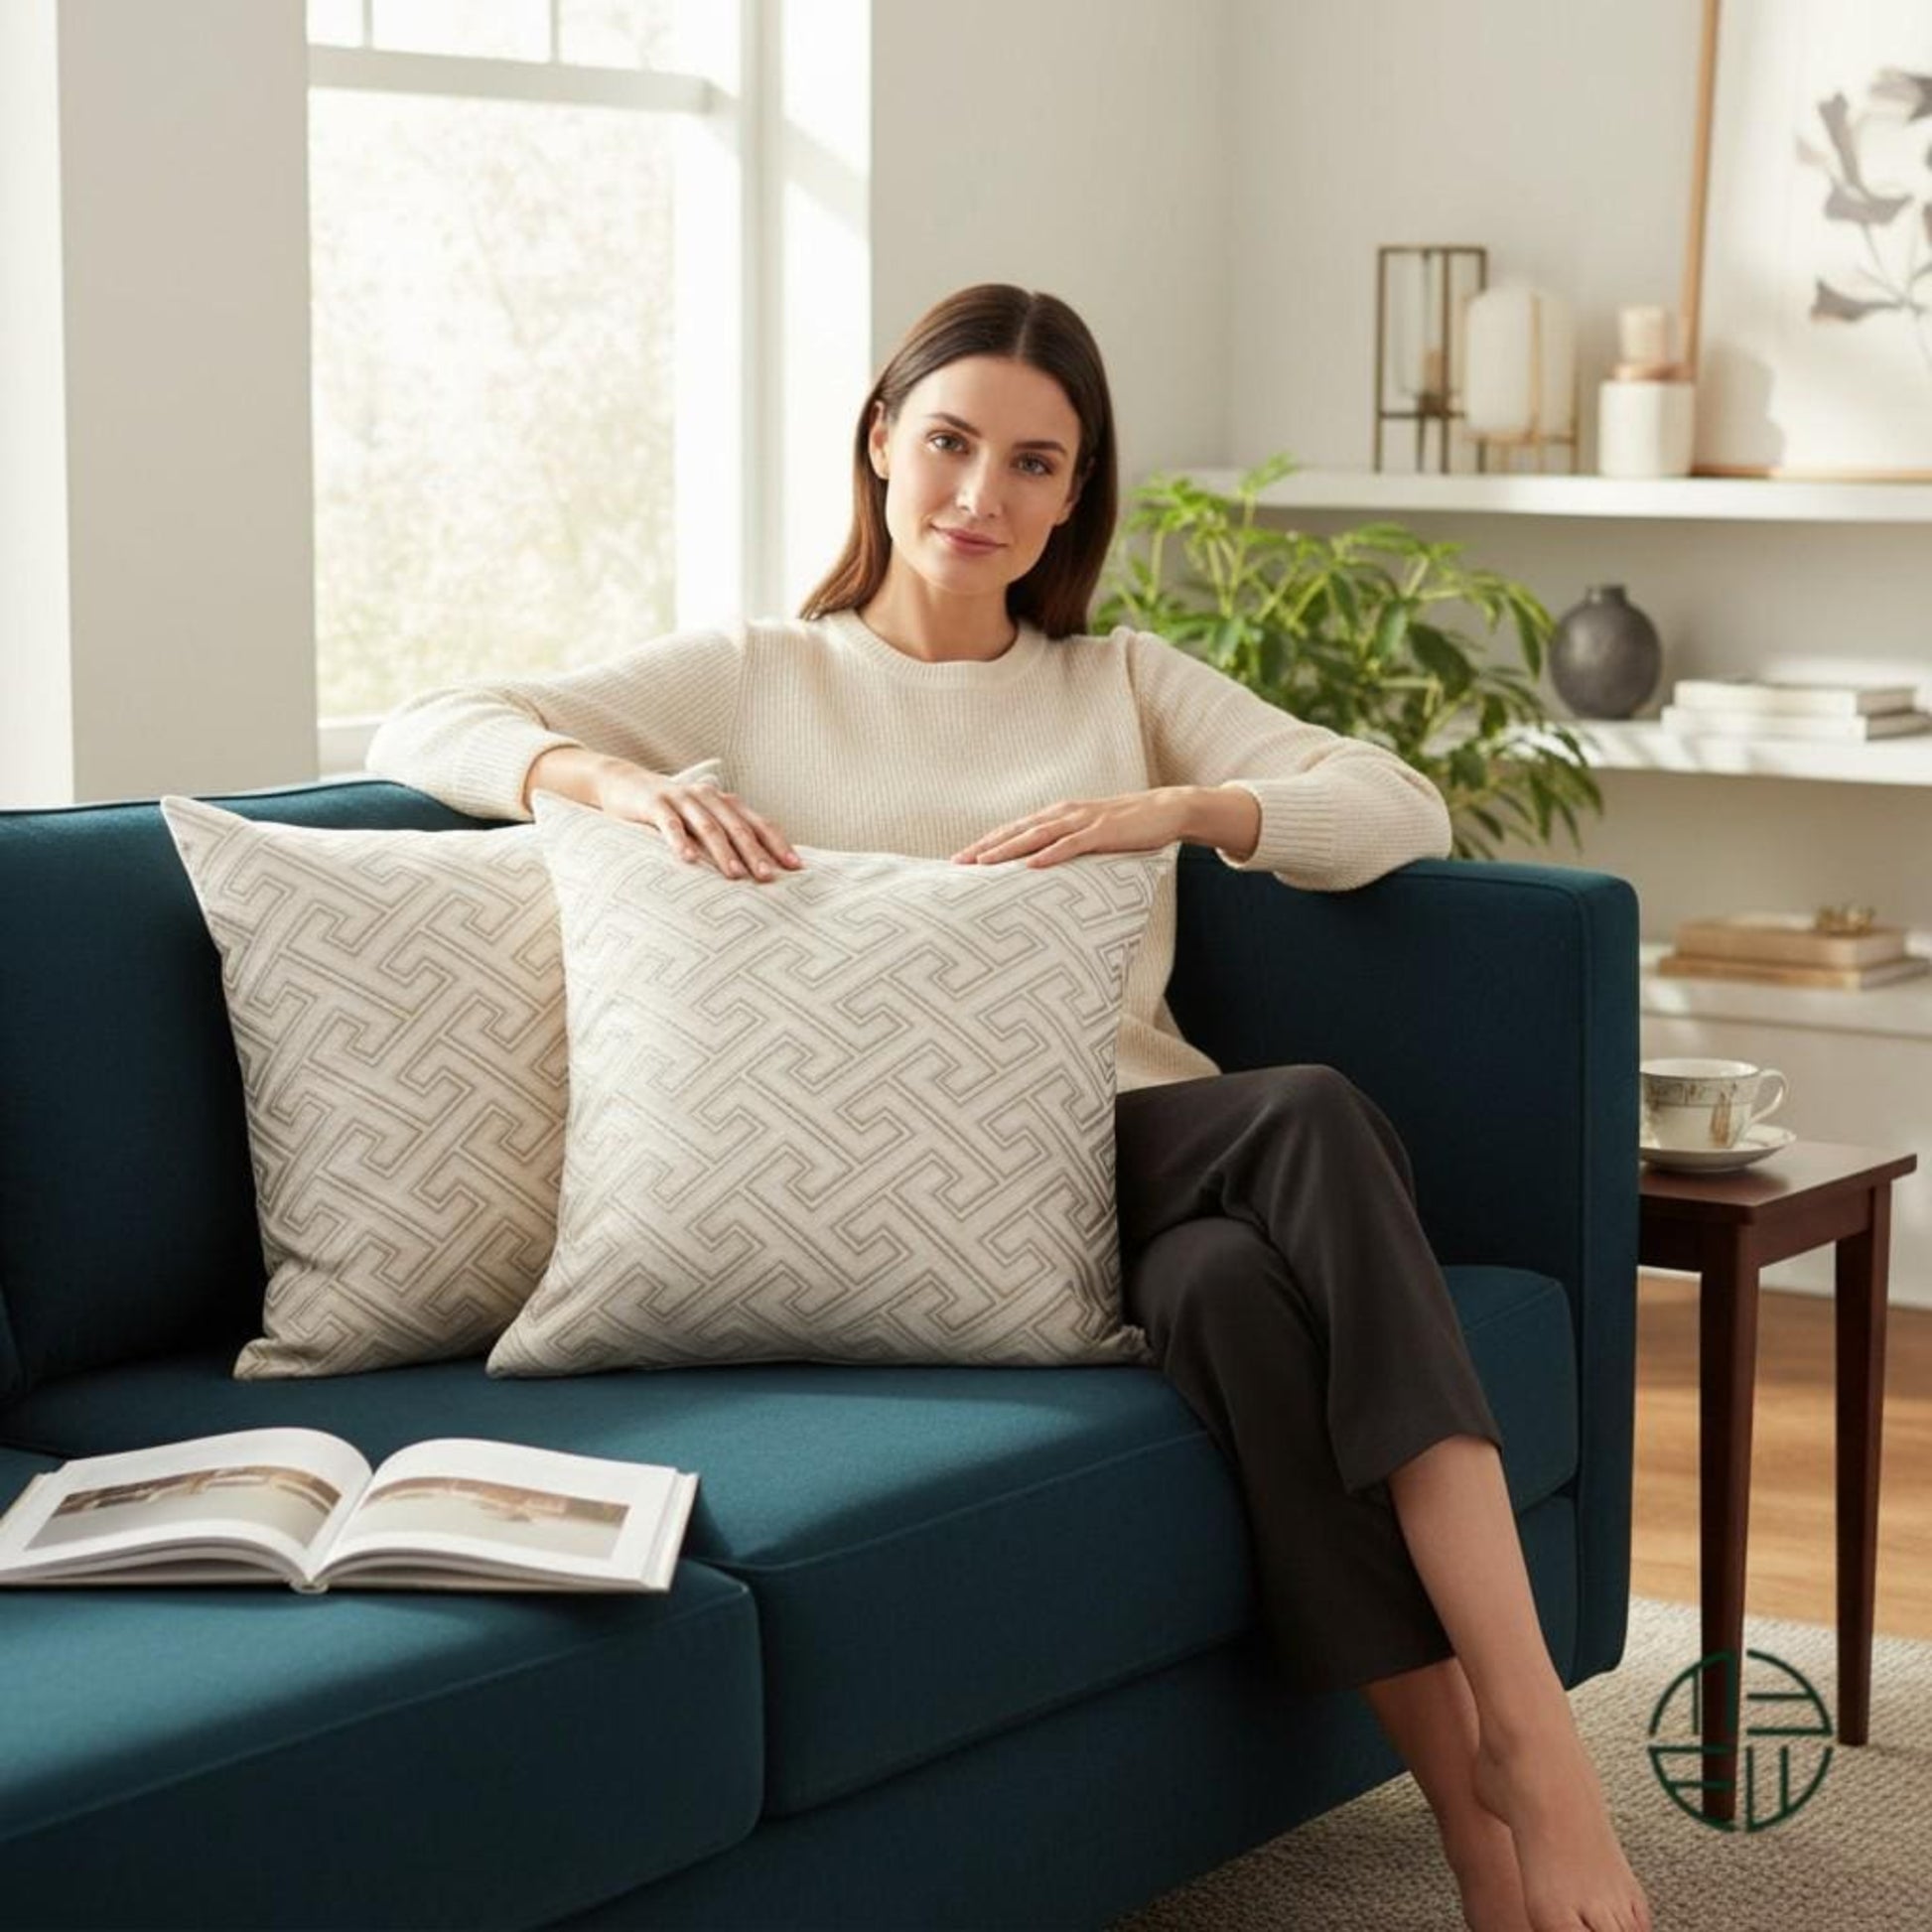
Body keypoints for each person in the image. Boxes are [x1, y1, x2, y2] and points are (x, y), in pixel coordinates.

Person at [366, 282, 1651, 1932]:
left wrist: (1176, 808)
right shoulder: (756, 676)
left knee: (1235, 1277)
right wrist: (613, 780)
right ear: (882, 443)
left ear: (1073, 492)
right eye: (952, 442)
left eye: (1032, 463)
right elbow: (436, 724)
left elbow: (1390, 801)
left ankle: (1496, 1813)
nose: (982, 496)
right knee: (1300, 1150)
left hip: (1139, 1159)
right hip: (916, 1188)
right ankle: (1530, 1768)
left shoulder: (1116, 678)